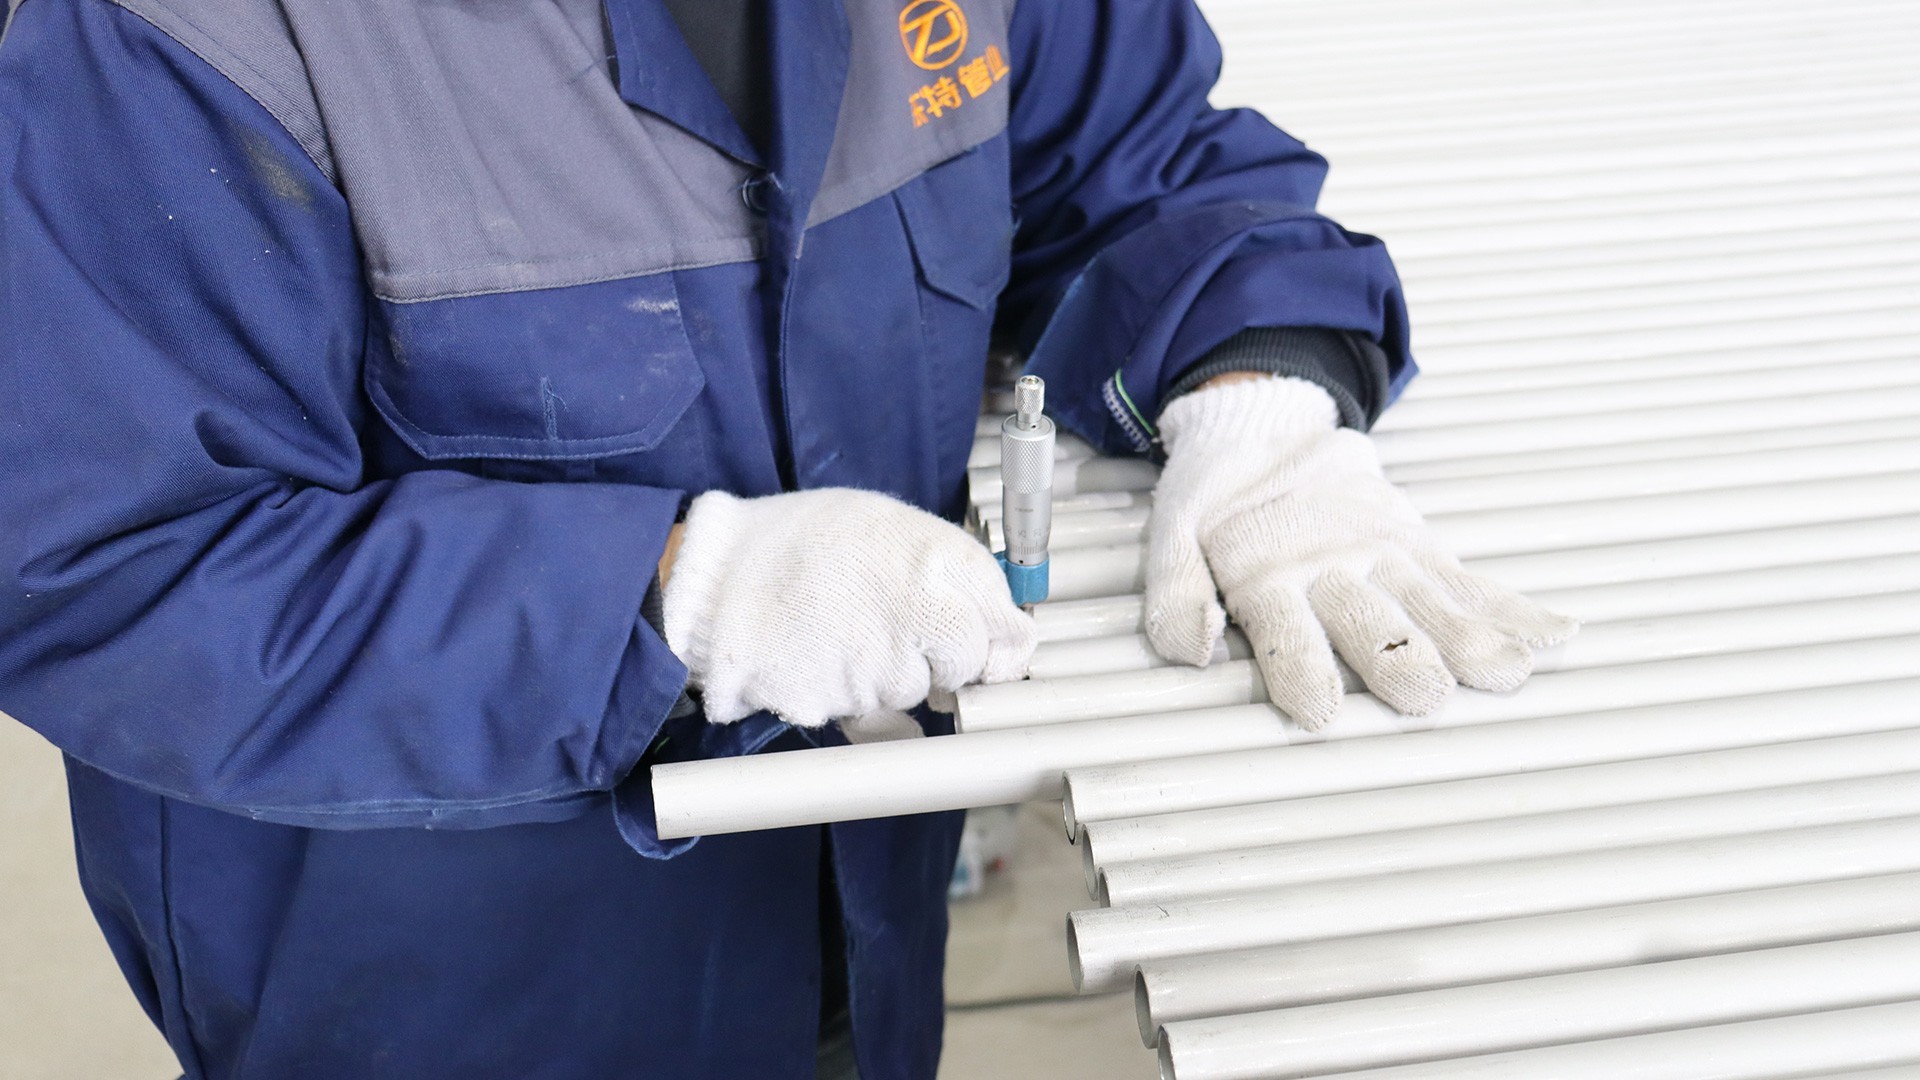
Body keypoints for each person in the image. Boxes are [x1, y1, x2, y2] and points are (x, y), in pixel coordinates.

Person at [0, 0, 1572, 1076]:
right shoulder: (168, 38)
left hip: (857, 923)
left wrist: (1260, 389)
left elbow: (1138, 162)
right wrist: (675, 599)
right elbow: (108, 569)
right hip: (450, 1001)